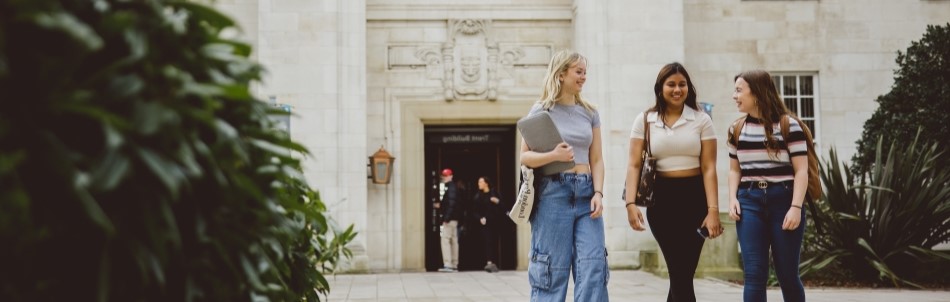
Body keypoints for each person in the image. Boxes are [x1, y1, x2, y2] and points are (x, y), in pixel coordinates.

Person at [623, 62, 723, 302]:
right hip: (662, 201)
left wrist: (713, 211)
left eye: (682, 84)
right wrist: (630, 203)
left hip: (695, 199)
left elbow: (709, 168)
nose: (677, 89)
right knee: (678, 270)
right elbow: (634, 164)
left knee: (683, 273)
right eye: (671, 84)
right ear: (660, 88)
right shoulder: (645, 119)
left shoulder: (701, 120)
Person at [520, 50, 608, 302]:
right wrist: (553, 155)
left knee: (594, 265)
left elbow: (597, 159)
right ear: (561, 74)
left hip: (586, 192)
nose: (583, 77)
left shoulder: (589, 112)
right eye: (578, 72)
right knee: (551, 270)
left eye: (585, 72)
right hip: (553, 194)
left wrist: (599, 193)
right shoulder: (541, 109)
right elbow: (524, 157)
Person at [728, 70, 808, 301]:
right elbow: (735, 169)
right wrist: (733, 198)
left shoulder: (789, 125)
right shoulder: (737, 129)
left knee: (787, 274)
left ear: (757, 92)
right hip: (749, 201)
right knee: (753, 274)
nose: (734, 96)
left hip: (784, 200)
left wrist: (795, 207)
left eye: (739, 90)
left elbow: (801, 170)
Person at [474, 176, 503, 273]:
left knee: (494, 241)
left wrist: (497, 201)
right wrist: (480, 218)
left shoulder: (494, 193)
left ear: (486, 183)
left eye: (480, 182)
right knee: (487, 241)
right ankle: (489, 262)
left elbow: (503, 206)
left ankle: (494, 262)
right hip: (485, 223)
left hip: (495, 222)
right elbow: (474, 211)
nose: (479, 184)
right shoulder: (478, 196)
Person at [434, 168, 461, 272]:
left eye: (446, 176)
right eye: (443, 176)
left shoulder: (451, 188)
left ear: (451, 176)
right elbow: (451, 203)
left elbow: (452, 204)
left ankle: (448, 264)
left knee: (445, 240)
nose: (444, 178)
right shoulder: (452, 188)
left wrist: (446, 218)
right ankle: (454, 264)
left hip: (450, 219)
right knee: (454, 241)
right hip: (454, 219)